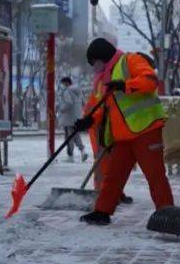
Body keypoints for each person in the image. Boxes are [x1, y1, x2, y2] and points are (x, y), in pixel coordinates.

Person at [73, 38, 174, 225]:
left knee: (155, 174)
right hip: (123, 136)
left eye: (95, 63)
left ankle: (166, 212)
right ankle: (102, 211)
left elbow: (150, 81)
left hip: (146, 129)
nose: (95, 68)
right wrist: (87, 121)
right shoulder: (105, 76)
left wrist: (125, 85)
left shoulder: (130, 61)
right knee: (114, 175)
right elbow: (100, 107)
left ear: (102, 57)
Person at [56, 76, 89, 162]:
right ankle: (83, 151)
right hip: (77, 117)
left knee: (69, 137)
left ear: (66, 83)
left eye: (63, 83)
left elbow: (68, 103)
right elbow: (83, 103)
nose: (62, 85)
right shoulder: (78, 91)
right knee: (76, 135)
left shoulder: (67, 91)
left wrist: (61, 109)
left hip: (68, 118)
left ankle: (70, 156)